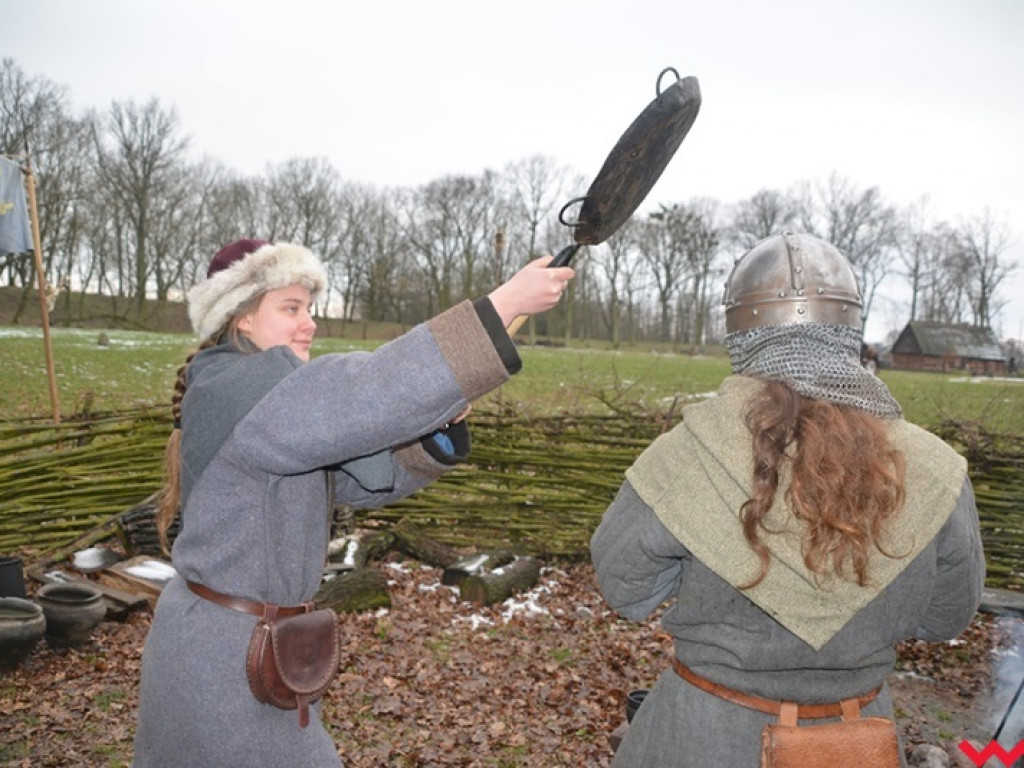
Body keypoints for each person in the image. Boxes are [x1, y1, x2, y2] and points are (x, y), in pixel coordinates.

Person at [132, 238, 575, 767]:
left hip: (246, 649)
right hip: (224, 663)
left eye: (310, 309)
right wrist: (503, 306)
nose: (309, 324)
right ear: (241, 319)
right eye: (290, 308)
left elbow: (366, 478)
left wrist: (434, 426)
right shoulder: (244, 388)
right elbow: (363, 394)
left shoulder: (257, 396)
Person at [590, 231, 984, 767]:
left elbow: (625, 590)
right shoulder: (932, 469)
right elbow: (944, 618)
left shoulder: (688, 454)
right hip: (856, 739)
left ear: (741, 330)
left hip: (702, 740)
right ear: (848, 327)